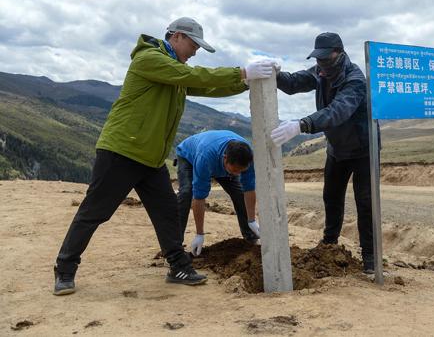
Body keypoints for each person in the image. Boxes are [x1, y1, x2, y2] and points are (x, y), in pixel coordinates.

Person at [53, 17, 274, 295]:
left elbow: (206, 87)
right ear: (177, 37)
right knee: (95, 212)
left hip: (151, 158)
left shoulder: (175, 72)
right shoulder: (149, 60)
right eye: (194, 45)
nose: (195, 52)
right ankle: (65, 269)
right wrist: (241, 71)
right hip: (122, 151)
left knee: (168, 213)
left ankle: (178, 266)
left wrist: (247, 82)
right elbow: (195, 76)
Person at [270, 32, 378, 274]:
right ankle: (329, 246)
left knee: (366, 204)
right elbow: (293, 83)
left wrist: (302, 124)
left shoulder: (355, 80)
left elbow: (337, 111)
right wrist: (274, 74)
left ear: (338, 54)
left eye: (325, 60)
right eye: (317, 60)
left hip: (363, 150)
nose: (320, 66)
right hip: (337, 149)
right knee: (331, 197)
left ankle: (370, 259)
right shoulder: (320, 71)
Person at [176, 130, 260, 256]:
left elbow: (249, 189)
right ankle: (174, 248)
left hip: (221, 163)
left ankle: (250, 239)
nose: (238, 173)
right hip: (189, 157)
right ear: (225, 159)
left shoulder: (247, 157)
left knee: (240, 193)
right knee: (186, 193)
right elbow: (199, 197)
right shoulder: (205, 157)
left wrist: (252, 220)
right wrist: (200, 234)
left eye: (241, 171)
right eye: (235, 170)